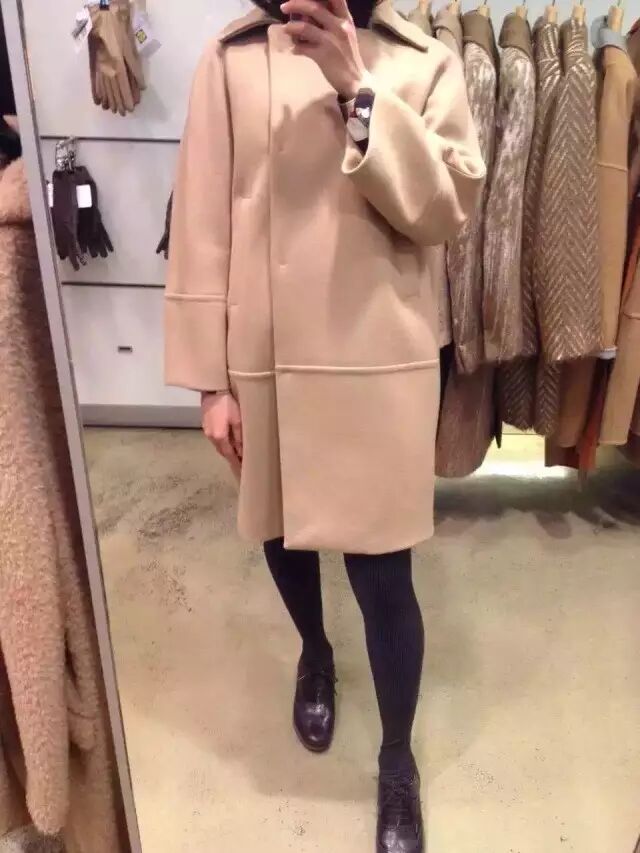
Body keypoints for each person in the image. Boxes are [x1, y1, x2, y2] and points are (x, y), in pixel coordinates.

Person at [165, 1, 484, 850]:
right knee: (281, 532)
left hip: (378, 362)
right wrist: (210, 381)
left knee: (384, 576)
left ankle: (397, 759)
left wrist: (358, 90)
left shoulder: (425, 62)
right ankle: (314, 649)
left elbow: (447, 209)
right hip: (265, 361)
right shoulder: (231, 58)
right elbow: (202, 219)